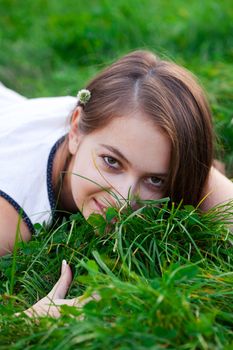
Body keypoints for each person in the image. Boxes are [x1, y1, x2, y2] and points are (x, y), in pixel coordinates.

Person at [1, 50, 233, 316]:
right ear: (75, 130)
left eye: (155, 179)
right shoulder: (9, 214)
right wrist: (30, 318)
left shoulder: (112, 117)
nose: (124, 199)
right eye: (112, 162)